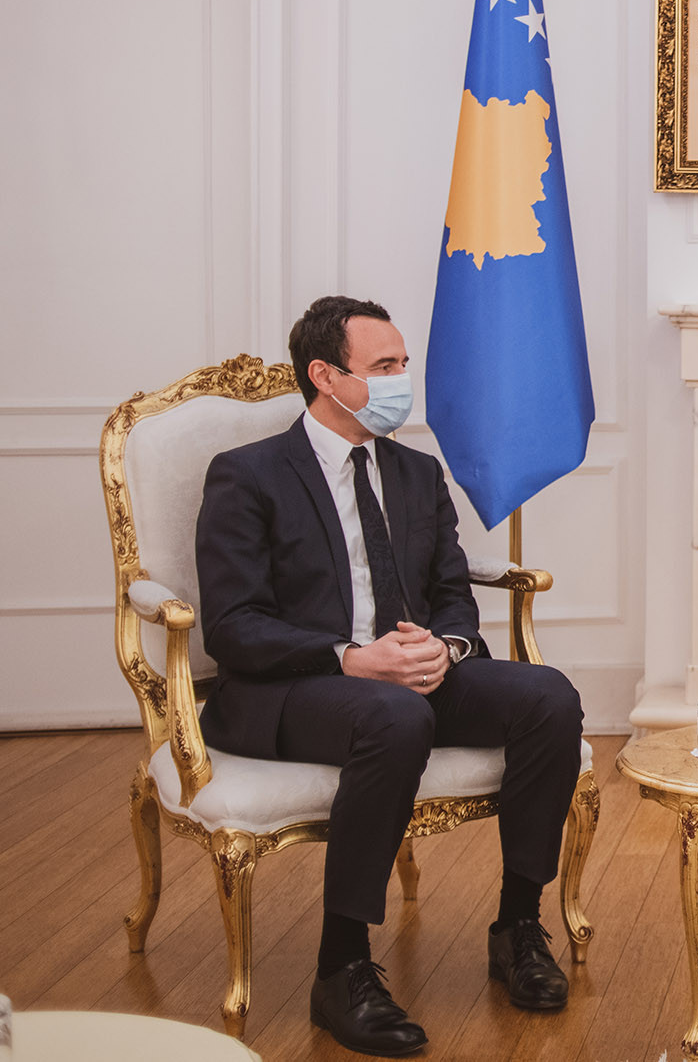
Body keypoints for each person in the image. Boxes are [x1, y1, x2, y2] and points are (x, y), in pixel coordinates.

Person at [195, 295, 584, 1057]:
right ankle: (341, 967)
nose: (403, 379)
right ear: (325, 376)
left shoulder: (415, 472)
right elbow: (233, 625)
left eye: (404, 363)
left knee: (550, 696)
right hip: (297, 686)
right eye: (384, 366)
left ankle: (517, 925)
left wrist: (448, 648)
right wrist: (350, 656)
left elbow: (451, 591)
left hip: (411, 671)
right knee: (395, 715)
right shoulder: (248, 475)